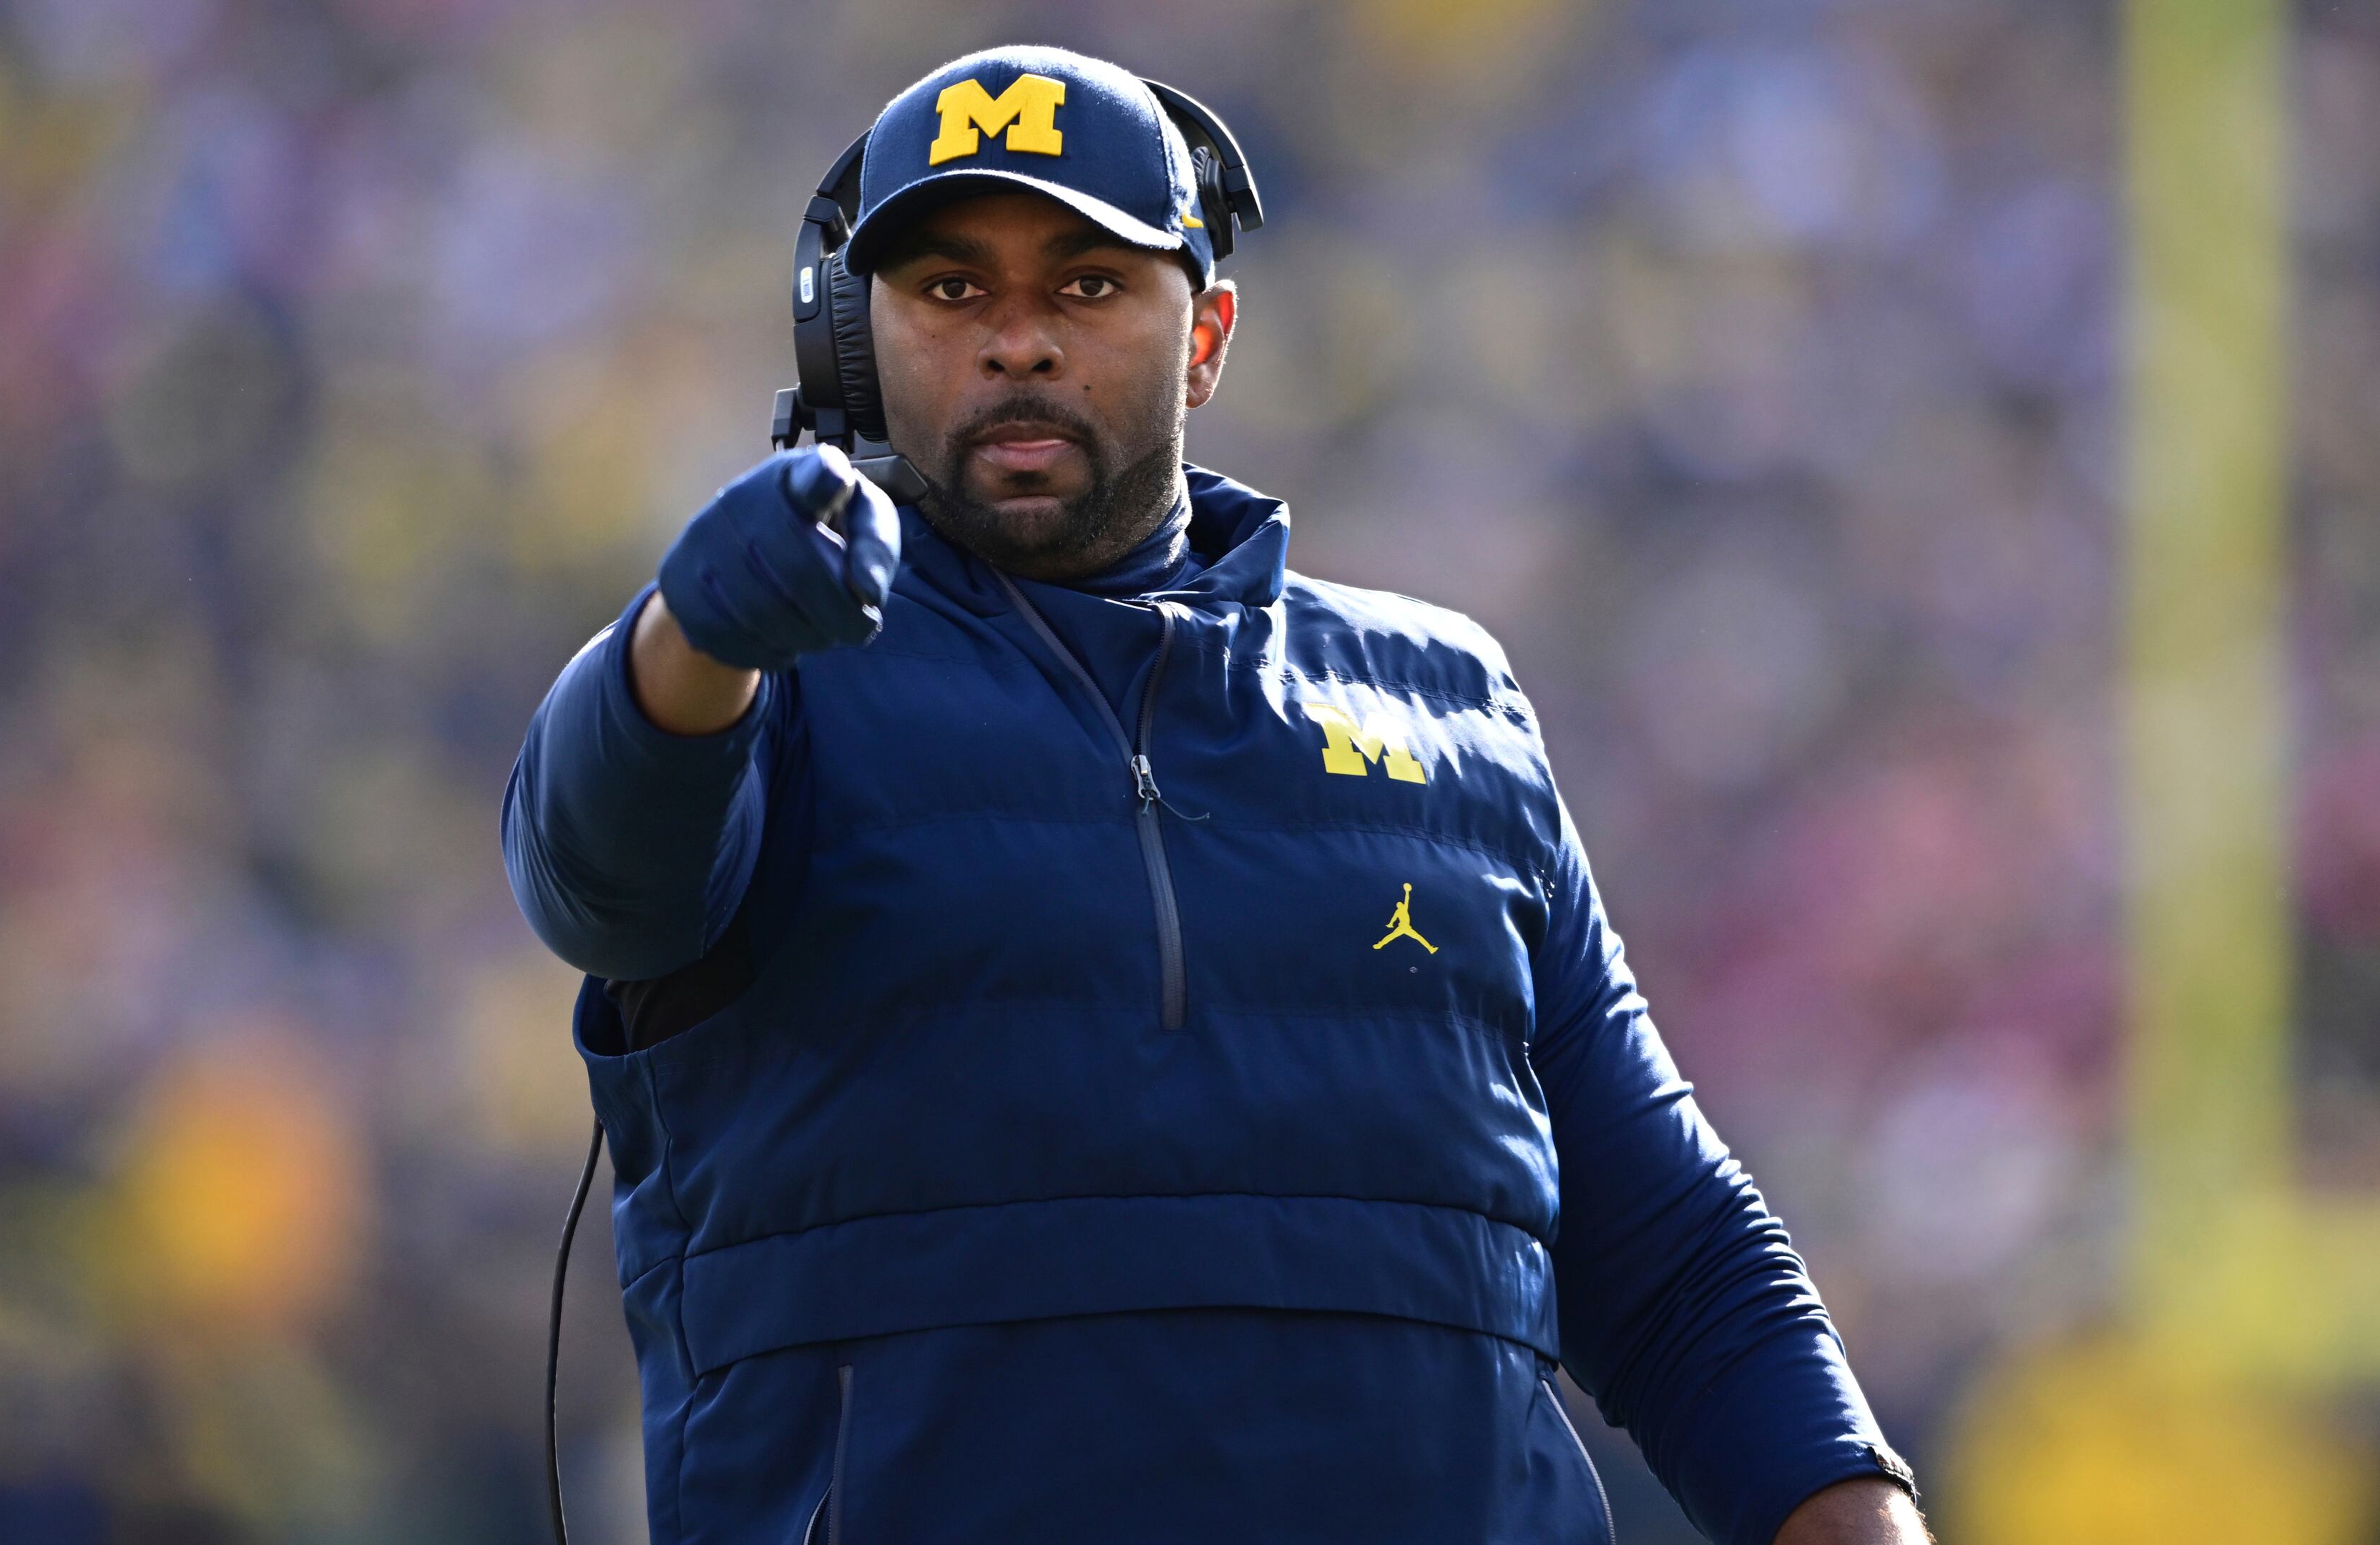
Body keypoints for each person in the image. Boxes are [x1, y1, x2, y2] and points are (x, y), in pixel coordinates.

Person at [504, 44, 1929, 1545]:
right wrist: (692, 635)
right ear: (852, 349)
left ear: (1206, 339)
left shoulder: (1451, 706)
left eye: (1087, 286)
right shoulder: (764, 681)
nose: (1017, 343)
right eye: (950, 289)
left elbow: (1677, 1262)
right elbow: (599, 877)